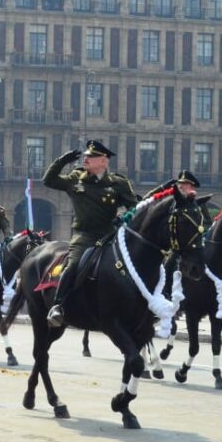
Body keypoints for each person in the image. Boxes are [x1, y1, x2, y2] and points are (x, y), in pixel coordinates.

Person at [43, 139, 138, 327]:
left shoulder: (118, 183)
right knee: (73, 265)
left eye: (91, 157)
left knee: (134, 263)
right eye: (86, 156)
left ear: (104, 161)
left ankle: (141, 305)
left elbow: (135, 207)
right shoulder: (75, 179)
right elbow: (49, 180)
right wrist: (61, 161)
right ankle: (58, 305)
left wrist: (124, 217)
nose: (86, 159)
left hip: (110, 234)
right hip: (84, 235)